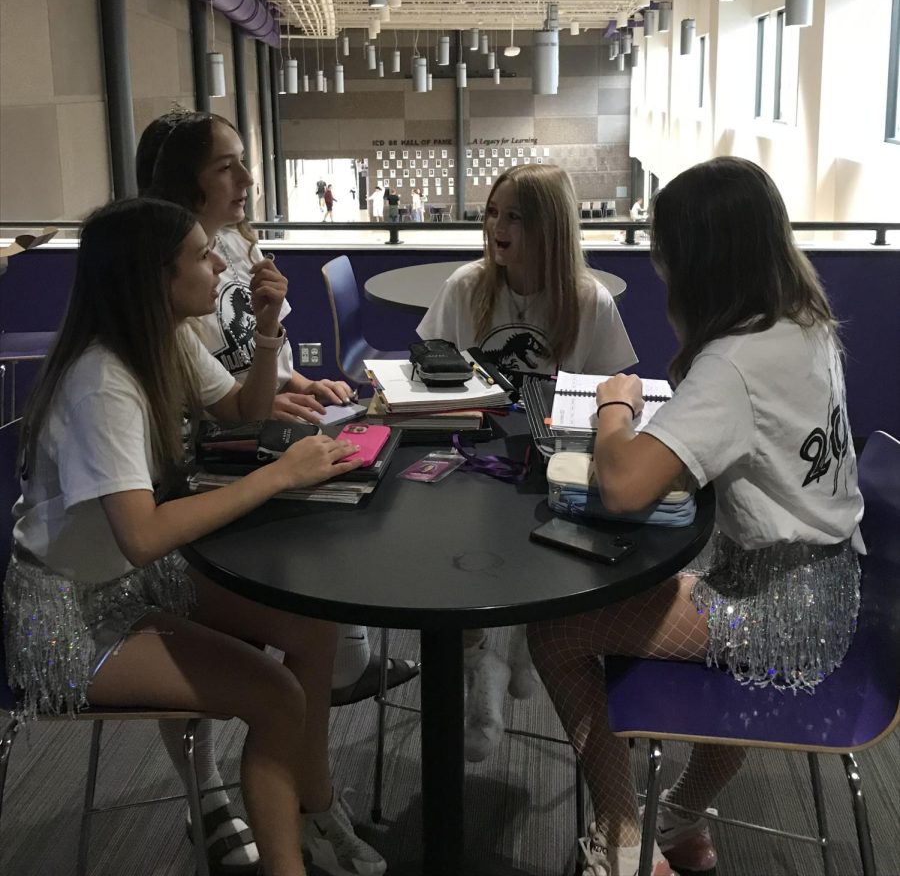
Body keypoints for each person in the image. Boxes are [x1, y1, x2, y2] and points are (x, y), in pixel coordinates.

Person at [3, 198, 388, 876]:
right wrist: (277, 479)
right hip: (62, 619)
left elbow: (242, 407)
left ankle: (315, 807)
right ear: (158, 278)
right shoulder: (103, 383)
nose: (218, 264)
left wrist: (268, 331)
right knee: (276, 697)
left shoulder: (167, 337)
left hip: (124, 581)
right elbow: (143, 536)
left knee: (313, 627)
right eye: (200, 255)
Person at [527, 157, 864, 876]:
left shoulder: (737, 363)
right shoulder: (804, 324)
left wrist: (616, 405)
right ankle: (678, 821)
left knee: (555, 630)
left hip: (777, 609)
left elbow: (622, 486)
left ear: (696, 262)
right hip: (832, 591)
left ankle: (622, 834)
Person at [135, 111, 418, 867]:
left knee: (317, 611)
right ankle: (213, 795)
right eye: (229, 167)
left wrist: (283, 374)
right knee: (282, 630)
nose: (247, 183)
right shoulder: (165, 298)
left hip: (231, 463)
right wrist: (267, 407)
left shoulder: (224, 252)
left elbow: (239, 388)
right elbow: (225, 412)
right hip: (186, 507)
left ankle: (312, 793)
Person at [416, 164, 637, 763]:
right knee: (457, 573)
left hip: (553, 469)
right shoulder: (467, 286)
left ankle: (503, 660)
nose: (498, 227)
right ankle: (489, 673)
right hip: (472, 462)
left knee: (533, 563)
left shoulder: (588, 301)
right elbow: (429, 370)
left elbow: (616, 390)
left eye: (516, 215)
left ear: (552, 227)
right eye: (492, 212)